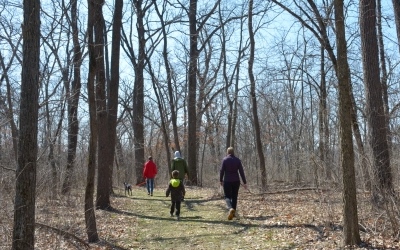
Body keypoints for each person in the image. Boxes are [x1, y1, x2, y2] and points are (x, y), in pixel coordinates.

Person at [219, 147, 247, 220]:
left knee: (227, 196)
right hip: (236, 181)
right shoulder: (237, 160)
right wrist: (244, 182)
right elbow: (241, 172)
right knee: (235, 196)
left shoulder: (225, 160)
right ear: (233, 152)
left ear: (227, 152)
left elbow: (222, 170)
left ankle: (230, 208)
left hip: (227, 180)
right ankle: (233, 213)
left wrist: (221, 180)